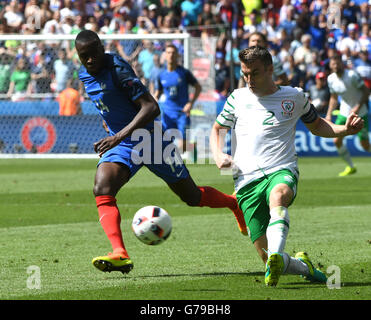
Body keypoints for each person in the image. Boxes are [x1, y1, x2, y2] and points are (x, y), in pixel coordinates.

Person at [74, 30, 246, 275]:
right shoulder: (84, 75)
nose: (90, 60)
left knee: (192, 196)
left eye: (93, 54)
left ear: (102, 49)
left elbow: (151, 107)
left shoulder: (118, 70)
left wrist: (117, 135)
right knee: (102, 187)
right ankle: (120, 253)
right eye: (84, 56)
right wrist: (111, 126)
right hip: (123, 144)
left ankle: (234, 203)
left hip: (150, 140)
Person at [210, 46, 364, 287]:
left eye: (255, 73)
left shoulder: (295, 96)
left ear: (270, 69)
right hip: (245, 181)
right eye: (245, 74)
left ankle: (276, 254)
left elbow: (317, 125)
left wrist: (345, 129)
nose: (249, 80)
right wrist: (218, 154)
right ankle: (303, 265)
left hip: (281, 168)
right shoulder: (237, 98)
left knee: (278, 196)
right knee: (267, 257)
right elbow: (217, 128)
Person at [325, 54, 371, 176]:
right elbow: (334, 97)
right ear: (330, 65)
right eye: (333, 64)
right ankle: (350, 167)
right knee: (336, 140)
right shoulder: (331, 79)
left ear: (341, 63)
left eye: (337, 63)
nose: (335, 66)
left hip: (360, 114)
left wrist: (357, 107)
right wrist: (329, 114)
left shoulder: (352, 75)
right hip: (344, 113)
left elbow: (366, 91)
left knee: (365, 145)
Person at [154, 43, 202, 159]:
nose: (171, 55)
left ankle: (190, 146)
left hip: (182, 113)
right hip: (167, 113)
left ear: (177, 55)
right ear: (165, 55)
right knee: (164, 145)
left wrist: (190, 103)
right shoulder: (161, 74)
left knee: (181, 146)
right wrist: (153, 101)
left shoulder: (184, 73)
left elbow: (198, 87)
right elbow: (158, 92)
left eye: (173, 53)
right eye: (168, 53)